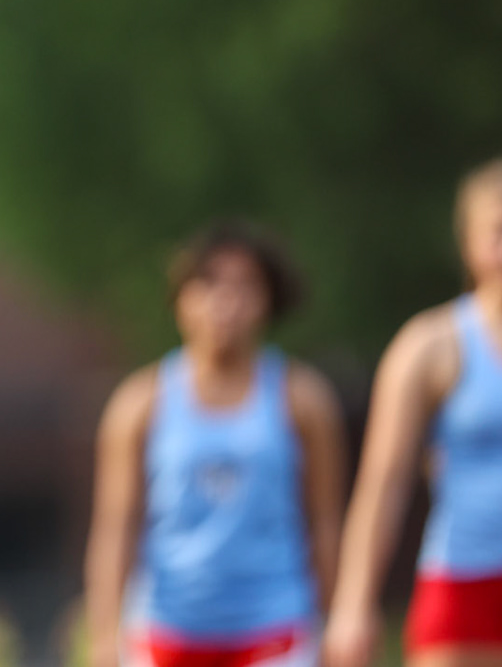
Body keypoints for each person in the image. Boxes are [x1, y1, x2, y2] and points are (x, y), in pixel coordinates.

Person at [324, 156, 502, 667]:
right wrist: (353, 603)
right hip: (467, 580)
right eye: (501, 233)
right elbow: (384, 482)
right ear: (470, 244)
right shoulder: (431, 346)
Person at [85, 221, 346, 667]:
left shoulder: (302, 400)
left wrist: (340, 619)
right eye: (208, 285)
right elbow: (116, 527)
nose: (226, 302)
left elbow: (323, 520)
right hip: (168, 630)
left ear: (268, 301)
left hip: (275, 628)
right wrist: (104, 633)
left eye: (244, 287)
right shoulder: (140, 404)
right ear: (181, 300)